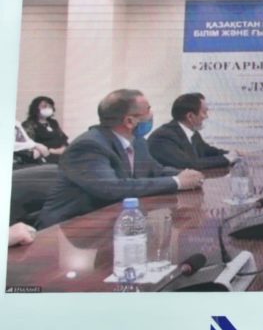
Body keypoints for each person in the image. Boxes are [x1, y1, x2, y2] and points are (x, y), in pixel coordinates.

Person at [37, 89, 204, 229]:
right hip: (68, 230)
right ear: (129, 121)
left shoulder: (138, 142)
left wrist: (185, 175)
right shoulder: (89, 146)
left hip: (111, 222)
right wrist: (177, 182)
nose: (151, 114)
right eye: (148, 110)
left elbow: (155, 171)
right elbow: (112, 188)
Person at [147, 92, 238, 170]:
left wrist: (233, 154)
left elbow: (206, 151)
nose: (206, 117)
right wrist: (227, 159)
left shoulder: (192, 132)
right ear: (190, 116)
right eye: (204, 112)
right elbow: (188, 164)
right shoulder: (163, 137)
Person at [21, 96, 69, 163]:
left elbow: (63, 138)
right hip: (44, 156)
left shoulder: (53, 122)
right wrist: (51, 151)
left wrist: (63, 148)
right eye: (44, 106)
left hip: (61, 154)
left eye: (50, 106)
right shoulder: (29, 124)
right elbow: (29, 144)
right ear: (35, 108)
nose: (48, 108)